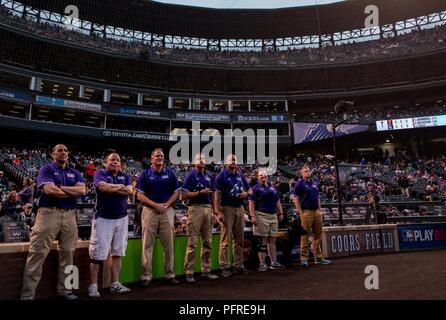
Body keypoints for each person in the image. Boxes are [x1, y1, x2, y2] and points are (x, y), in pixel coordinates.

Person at [21, 144, 85, 300]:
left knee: (70, 253)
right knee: (37, 253)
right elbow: (49, 190)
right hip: (48, 212)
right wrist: (70, 191)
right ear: (52, 154)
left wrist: (59, 188)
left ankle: (67, 290)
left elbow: (82, 191)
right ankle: (27, 295)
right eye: (59, 150)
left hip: (70, 214)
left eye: (65, 150)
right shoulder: (46, 169)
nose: (63, 152)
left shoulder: (75, 172)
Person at [88, 153, 133, 298]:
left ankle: (115, 284)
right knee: (97, 255)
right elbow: (103, 188)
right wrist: (119, 187)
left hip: (122, 218)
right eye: (112, 159)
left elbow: (129, 190)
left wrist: (114, 187)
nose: (115, 162)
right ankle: (93, 286)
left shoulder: (125, 176)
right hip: (103, 218)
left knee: (117, 253)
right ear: (106, 162)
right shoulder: (99, 173)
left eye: (118, 160)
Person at [136, 148, 180, 287]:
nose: (159, 157)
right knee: (147, 245)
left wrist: (166, 205)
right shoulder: (145, 174)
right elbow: (139, 195)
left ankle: (170, 274)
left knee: (169, 245)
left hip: (167, 210)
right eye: (157, 156)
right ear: (152, 158)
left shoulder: (171, 173)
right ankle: (146, 276)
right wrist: (155, 205)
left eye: (161, 155)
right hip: (149, 211)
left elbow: (176, 193)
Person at [182, 153, 219, 283]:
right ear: (194, 161)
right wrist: (199, 193)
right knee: (192, 242)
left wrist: (215, 212)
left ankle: (206, 270)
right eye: (199, 159)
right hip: (195, 208)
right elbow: (184, 195)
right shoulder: (190, 175)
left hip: (208, 208)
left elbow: (214, 195)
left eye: (203, 159)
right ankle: (189, 272)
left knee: (207, 242)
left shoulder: (209, 176)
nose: (202, 161)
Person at [214, 154, 251, 277]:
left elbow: (250, 190)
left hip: (239, 208)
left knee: (239, 239)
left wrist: (246, 194)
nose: (234, 161)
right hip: (226, 208)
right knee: (225, 239)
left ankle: (238, 265)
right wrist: (218, 212)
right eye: (231, 159)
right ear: (225, 162)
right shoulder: (221, 176)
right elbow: (216, 195)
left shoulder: (240, 175)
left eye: (235, 159)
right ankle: (224, 266)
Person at [292, 165, 331, 267]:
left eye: (308, 171)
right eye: (305, 171)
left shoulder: (314, 183)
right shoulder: (299, 184)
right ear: (301, 173)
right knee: (304, 236)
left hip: (316, 212)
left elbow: (317, 197)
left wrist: (320, 210)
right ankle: (304, 259)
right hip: (306, 212)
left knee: (317, 236)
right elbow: (296, 199)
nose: (307, 173)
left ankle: (318, 258)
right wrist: (300, 213)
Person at [249, 169, 285, 271]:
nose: (263, 177)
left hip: (273, 215)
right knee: (263, 240)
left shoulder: (272, 187)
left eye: (264, 175)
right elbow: (251, 203)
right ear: (257, 177)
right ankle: (262, 263)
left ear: (267, 176)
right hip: (261, 215)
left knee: (272, 239)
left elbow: (277, 200)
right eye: (260, 175)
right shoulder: (255, 188)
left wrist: (281, 212)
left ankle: (273, 262)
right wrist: (253, 216)